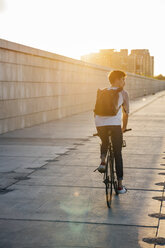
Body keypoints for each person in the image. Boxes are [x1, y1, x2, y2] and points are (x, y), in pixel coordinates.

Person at [94, 70, 129, 194]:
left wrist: (99, 125)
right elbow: (126, 114)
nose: (124, 82)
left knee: (104, 140)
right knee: (118, 153)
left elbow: (95, 111)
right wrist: (123, 128)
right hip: (114, 125)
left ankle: (103, 161)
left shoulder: (102, 92)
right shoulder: (123, 93)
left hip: (99, 124)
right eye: (123, 79)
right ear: (118, 79)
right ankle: (119, 186)